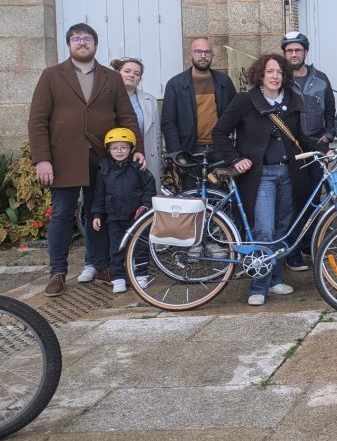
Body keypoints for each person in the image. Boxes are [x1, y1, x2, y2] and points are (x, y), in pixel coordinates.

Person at [28, 23, 144, 297]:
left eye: (87, 38)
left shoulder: (111, 77)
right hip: (63, 158)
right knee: (61, 215)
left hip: (102, 159)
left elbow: (126, 116)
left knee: (99, 212)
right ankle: (57, 272)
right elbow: (38, 120)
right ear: (69, 44)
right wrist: (42, 159)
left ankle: (103, 267)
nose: (82, 43)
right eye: (76, 39)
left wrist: (136, 147)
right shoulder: (51, 76)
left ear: (96, 44)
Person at [212, 54, 320, 306]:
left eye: (279, 72)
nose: (275, 76)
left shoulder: (292, 100)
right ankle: (258, 286)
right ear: (260, 75)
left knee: (283, 229)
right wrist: (235, 158)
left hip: (289, 173)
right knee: (264, 230)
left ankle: (275, 277)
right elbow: (219, 132)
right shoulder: (244, 101)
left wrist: (320, 152)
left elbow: (298, 137)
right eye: (270, 72)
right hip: (261, 176)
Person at [281, 32, 335, 270]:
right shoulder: (278, 80)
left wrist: (328, 136)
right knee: (292, 202)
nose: (294, 54)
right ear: (284, 54)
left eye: (298, 50)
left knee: (314, 201)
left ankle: (310, 246)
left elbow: (331, 112)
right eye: (289, 51)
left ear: (305, 52)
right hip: (290, 152)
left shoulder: (321, 79)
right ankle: (292, 252)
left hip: (316, 150)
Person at [160, 38, 237, 187]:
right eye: (198, 52)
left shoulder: (224, 82)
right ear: (190, 54)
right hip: (190, 151)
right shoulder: (175, 84)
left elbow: (235, 114)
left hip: (219, 150)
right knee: (193, 200)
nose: (203, 56)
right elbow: (169, 123)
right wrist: (177, 154)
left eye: (207, 52)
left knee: (219, 198)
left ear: (212, 55)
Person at [90, 128, 156, 294]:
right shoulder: (103, 171)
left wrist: (145, 206)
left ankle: (141, 274)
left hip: (137, 216)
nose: (119, 151)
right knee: (117, 248)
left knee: (140, 246)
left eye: (123, 147)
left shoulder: (138, 168)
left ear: (131, 148)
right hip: (114, 217)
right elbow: (98, 196)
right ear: (108, 150)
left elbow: (149, 189)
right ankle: (119, 277)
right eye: (114, 148)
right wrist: (97, 214)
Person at [112, 57, 161, 187]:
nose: (132, 75)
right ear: (117, 73)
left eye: (137, 73)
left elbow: (156, 136)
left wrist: (159, 165)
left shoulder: (150, 100)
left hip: (142, 158)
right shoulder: (106, 97)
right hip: (114, 158)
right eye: (127, 71)